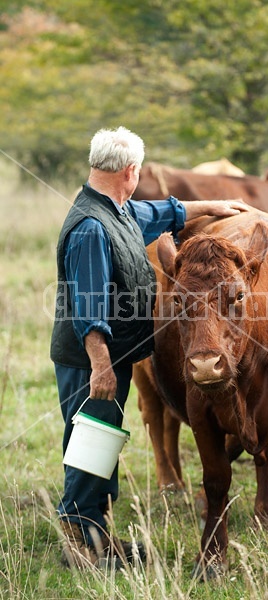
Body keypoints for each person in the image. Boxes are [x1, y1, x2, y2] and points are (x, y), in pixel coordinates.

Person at [50, 126, 248, 569]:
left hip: (111, 356)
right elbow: (90, 305)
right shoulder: (91, 228)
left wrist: (213, 206)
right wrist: (100, 364)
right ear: (131, 170)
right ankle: (78, 542)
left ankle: (96, 535)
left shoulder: (115, 209)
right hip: (93, 360)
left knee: (101, 441)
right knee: (90, 441)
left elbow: (162, 211)